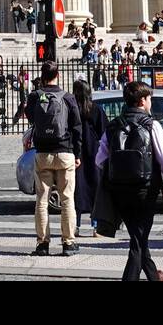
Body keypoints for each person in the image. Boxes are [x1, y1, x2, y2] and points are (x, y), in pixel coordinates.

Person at [95, 80, 163, 281]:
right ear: (142, 101)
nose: (151, 102)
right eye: (149, 98)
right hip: (145, 189)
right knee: (138, 241)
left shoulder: (113, 126)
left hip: (119, 189)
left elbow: (99, 159)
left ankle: (153, 276)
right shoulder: (152, 124)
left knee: (138, 237)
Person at [24, 60, 84, 256]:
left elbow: (30, 117)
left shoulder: (35, 97)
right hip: (65, 151)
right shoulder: (67, 97)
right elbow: (77, 126)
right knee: (67, 199)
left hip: (42, 153)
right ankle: (68, 243)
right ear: (58, 75)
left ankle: (42, 244)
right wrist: (77, 153)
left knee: (41, 200)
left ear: (42, 76)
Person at [72, 79, 106, 230]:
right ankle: (95, 225)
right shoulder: (96, 109)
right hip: (94, 151)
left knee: (76, 189)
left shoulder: (72, 109)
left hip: (76, 152)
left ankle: (76, 225)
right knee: (95, 187)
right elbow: (104, 131)